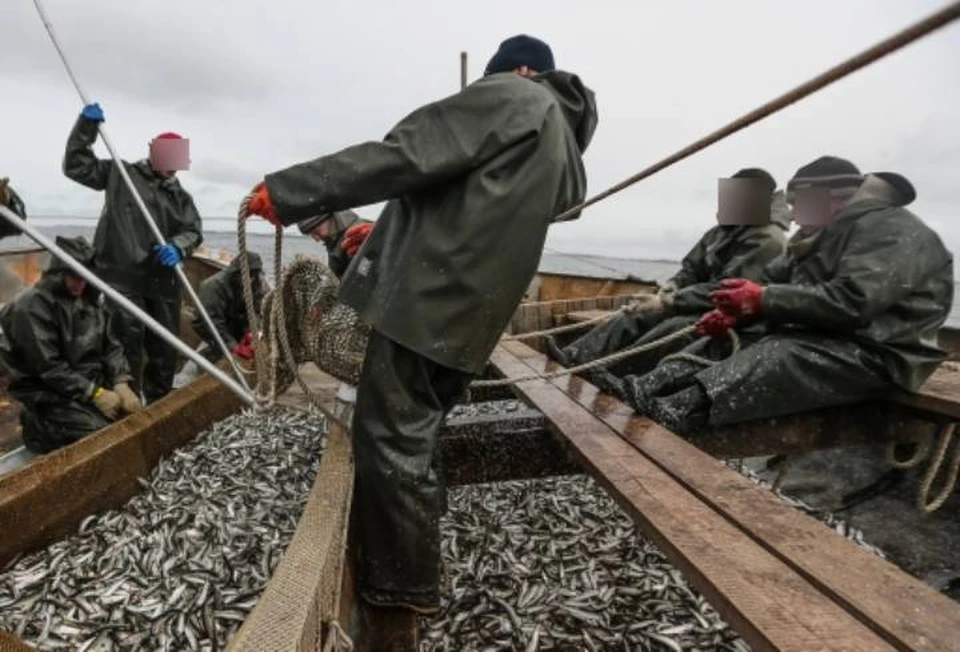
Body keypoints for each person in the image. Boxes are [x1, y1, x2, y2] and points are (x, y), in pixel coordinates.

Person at [244, 33, 597, 613]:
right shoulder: (560, 142)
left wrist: (287, 191)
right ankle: (416, 541)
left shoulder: (516, 96)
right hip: (470, 315)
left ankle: (401, 589)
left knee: (388, 436)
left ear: (521, 70)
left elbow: (405, 155)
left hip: (427, 304)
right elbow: (465, 203)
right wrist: (380, 234)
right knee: (417, 430)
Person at [606, 157, 953, 434]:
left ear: (831, 199)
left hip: (880, 354)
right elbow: (773, 282)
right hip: (826, 337)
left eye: (798, 202)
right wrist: (736, 315)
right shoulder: (815, 237)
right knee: (732, 334)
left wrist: (762, 300)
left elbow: (852, 301)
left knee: (782, 351)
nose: (792, 212)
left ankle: (684, 407)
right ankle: (647, 386)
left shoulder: (891, 229)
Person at [548, 168, 787, 377]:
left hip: (735, 319)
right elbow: (691, 269)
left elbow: (727, 292)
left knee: (673, 329)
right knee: (635, 314)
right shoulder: (720, 232)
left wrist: (668, 301)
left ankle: (609, 374)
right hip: (698, 304)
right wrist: (673, 285)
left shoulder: (767, 239)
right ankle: (574, 357)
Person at [63, 102, 203, 404]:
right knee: (125, 344)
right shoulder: (121, 174)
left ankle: (159, 404)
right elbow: (75, 166)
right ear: (152, 151)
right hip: (121, 276)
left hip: (163, 282)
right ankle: (128, 403)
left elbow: (194, 230)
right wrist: (85, 129)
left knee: (164, 349)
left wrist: (178, 247)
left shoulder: (182, 198)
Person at [0, 236, 141, 453]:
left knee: (130, 416)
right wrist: (94, 394)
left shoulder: (91, 300)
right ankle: (38, 429)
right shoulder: (30, 308)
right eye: (73, 277)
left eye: (84, 278)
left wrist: (120, 381)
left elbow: (111, 345)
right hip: (48, 390)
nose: (79, 284)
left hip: (84, 380)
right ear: (58, 272)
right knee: (99, 433)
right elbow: (48, 368)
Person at [297, 209, 372, 279]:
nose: (316, 239)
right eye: (311, 234)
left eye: (316, 232)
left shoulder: (359, 234)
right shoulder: (332, 239)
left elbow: (365, 274)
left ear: (327, 218)